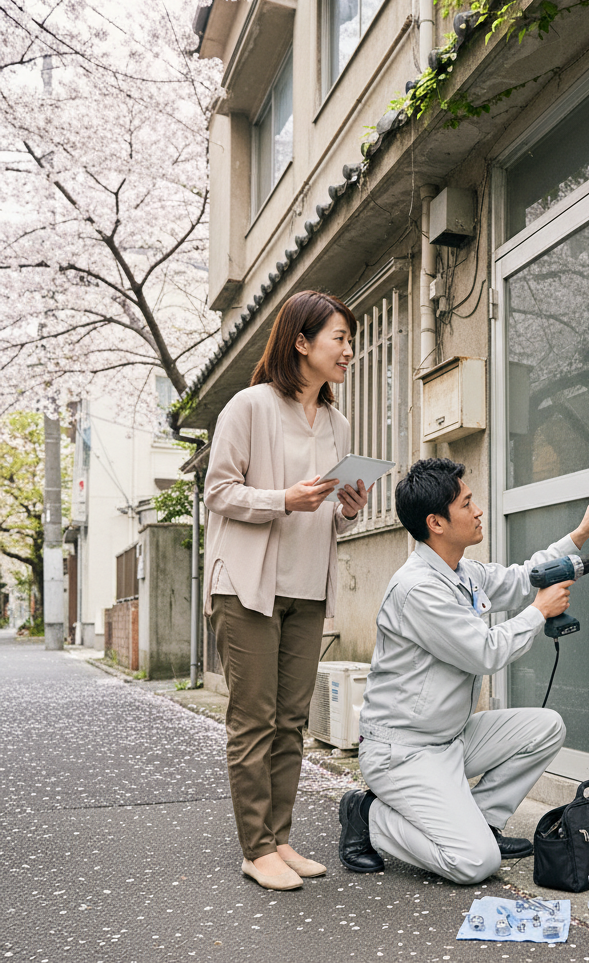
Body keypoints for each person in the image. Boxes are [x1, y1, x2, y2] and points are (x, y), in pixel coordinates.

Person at [338, 458, 589, 884]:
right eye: (467, 503)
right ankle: (367, 814)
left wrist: (578, 536)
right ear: (437, 523)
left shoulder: (462, 572)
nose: (479, 510)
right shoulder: (418, 589)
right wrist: (539, 612)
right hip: (403, 751)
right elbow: (485, 652)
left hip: (450, 738)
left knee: (546, 727)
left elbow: (523, 579)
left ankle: (481, 823)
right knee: (474, 864)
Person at [204, 290, 370, 891]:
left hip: (307, 587)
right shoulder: (248, 407)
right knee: (255, 720)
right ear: (302, 343)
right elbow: (219, 492)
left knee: (292, 721)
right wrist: (283, 499)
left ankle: (279, 838)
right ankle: (256, 848)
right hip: (247, 587)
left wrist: (349, 508)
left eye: (350, 341)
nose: (349, 351)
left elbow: (330, 512)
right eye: (340, 340)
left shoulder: (338, 422)